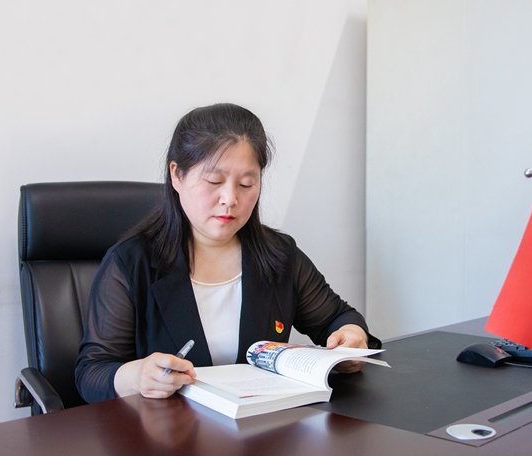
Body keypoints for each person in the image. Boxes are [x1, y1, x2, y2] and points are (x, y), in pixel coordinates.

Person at [76, 103, 381, 403]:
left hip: (259, 427)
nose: (230, 199)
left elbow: (338, 318)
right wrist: (137, 376)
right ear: (177, 175)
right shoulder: (132, 262)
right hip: (168, 430)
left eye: (247, 184)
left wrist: (351, 336)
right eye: (215, 181)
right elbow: (92, 373)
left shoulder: (278, 255)